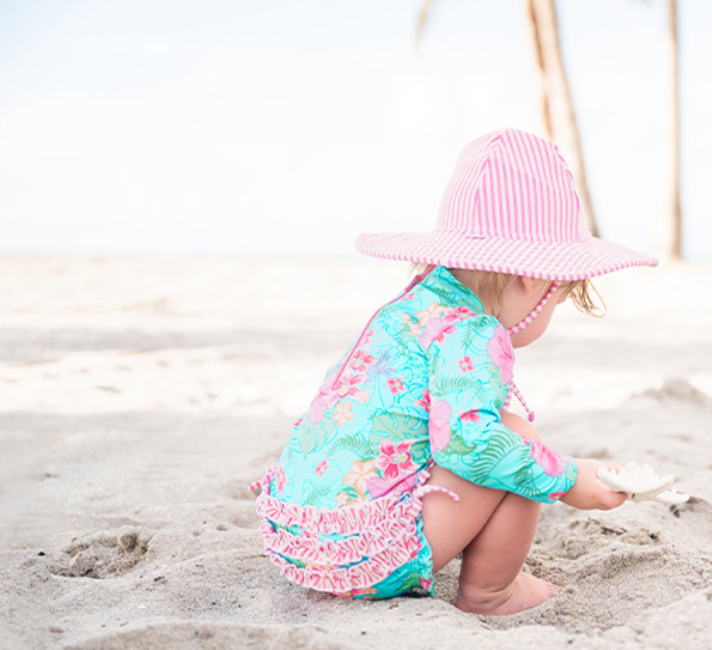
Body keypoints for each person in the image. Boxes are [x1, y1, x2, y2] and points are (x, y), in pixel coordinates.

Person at [251, 128, 658, 616]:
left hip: (297, 535)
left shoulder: (408, 309)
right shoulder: (473, 332)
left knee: (494, 437)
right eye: (560, 296)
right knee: (517, 441)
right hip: (368, 556)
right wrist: (570, 478)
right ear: (533, 280)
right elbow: (468, 447)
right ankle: (490, 593)